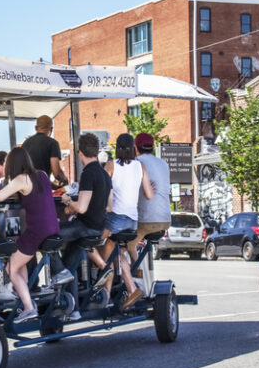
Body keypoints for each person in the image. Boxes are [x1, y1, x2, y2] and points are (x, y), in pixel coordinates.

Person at [0, 147, 59, 323]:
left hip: (36, 230)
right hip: (52, 226)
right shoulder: (41, 174)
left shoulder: (20, 179)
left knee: (11, 268)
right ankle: (25, 296)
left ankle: (28, 307)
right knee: (21, 262)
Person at [49, 133, 111, 321]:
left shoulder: (88, 173)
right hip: (98, 228)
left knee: (45, 236)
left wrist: (69, 202)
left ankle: (60, 273)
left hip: (84, 227)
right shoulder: (104, 174)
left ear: (79, 152)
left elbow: (82, 207)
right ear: (97, 151)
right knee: (70, 265)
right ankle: (73, 309)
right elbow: (109, 206)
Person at [89, 133, 153, 310]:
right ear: (133, 148)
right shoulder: (141, 166)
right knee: (117, 254)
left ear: (117, 148)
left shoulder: (111, 165)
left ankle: (124, 289)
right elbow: (149, 194)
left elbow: (101, 187)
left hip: (115, 218)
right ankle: (109, 294)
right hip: (132, 220)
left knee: (96, 243)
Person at [126, 133, 171, 266]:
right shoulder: (163, 164)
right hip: (165, 219)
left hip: (147, 220)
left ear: (135, 147)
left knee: (128, 244)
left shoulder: (137, 164)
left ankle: (136, 274)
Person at [20, 115, 68, 187]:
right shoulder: (52, 143)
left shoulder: (25, 143)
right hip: (41, 190)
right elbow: (56, 172)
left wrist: (50, 185)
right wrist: (64, 180)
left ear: (36, 128)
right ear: (51, 129)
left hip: (25, 189)